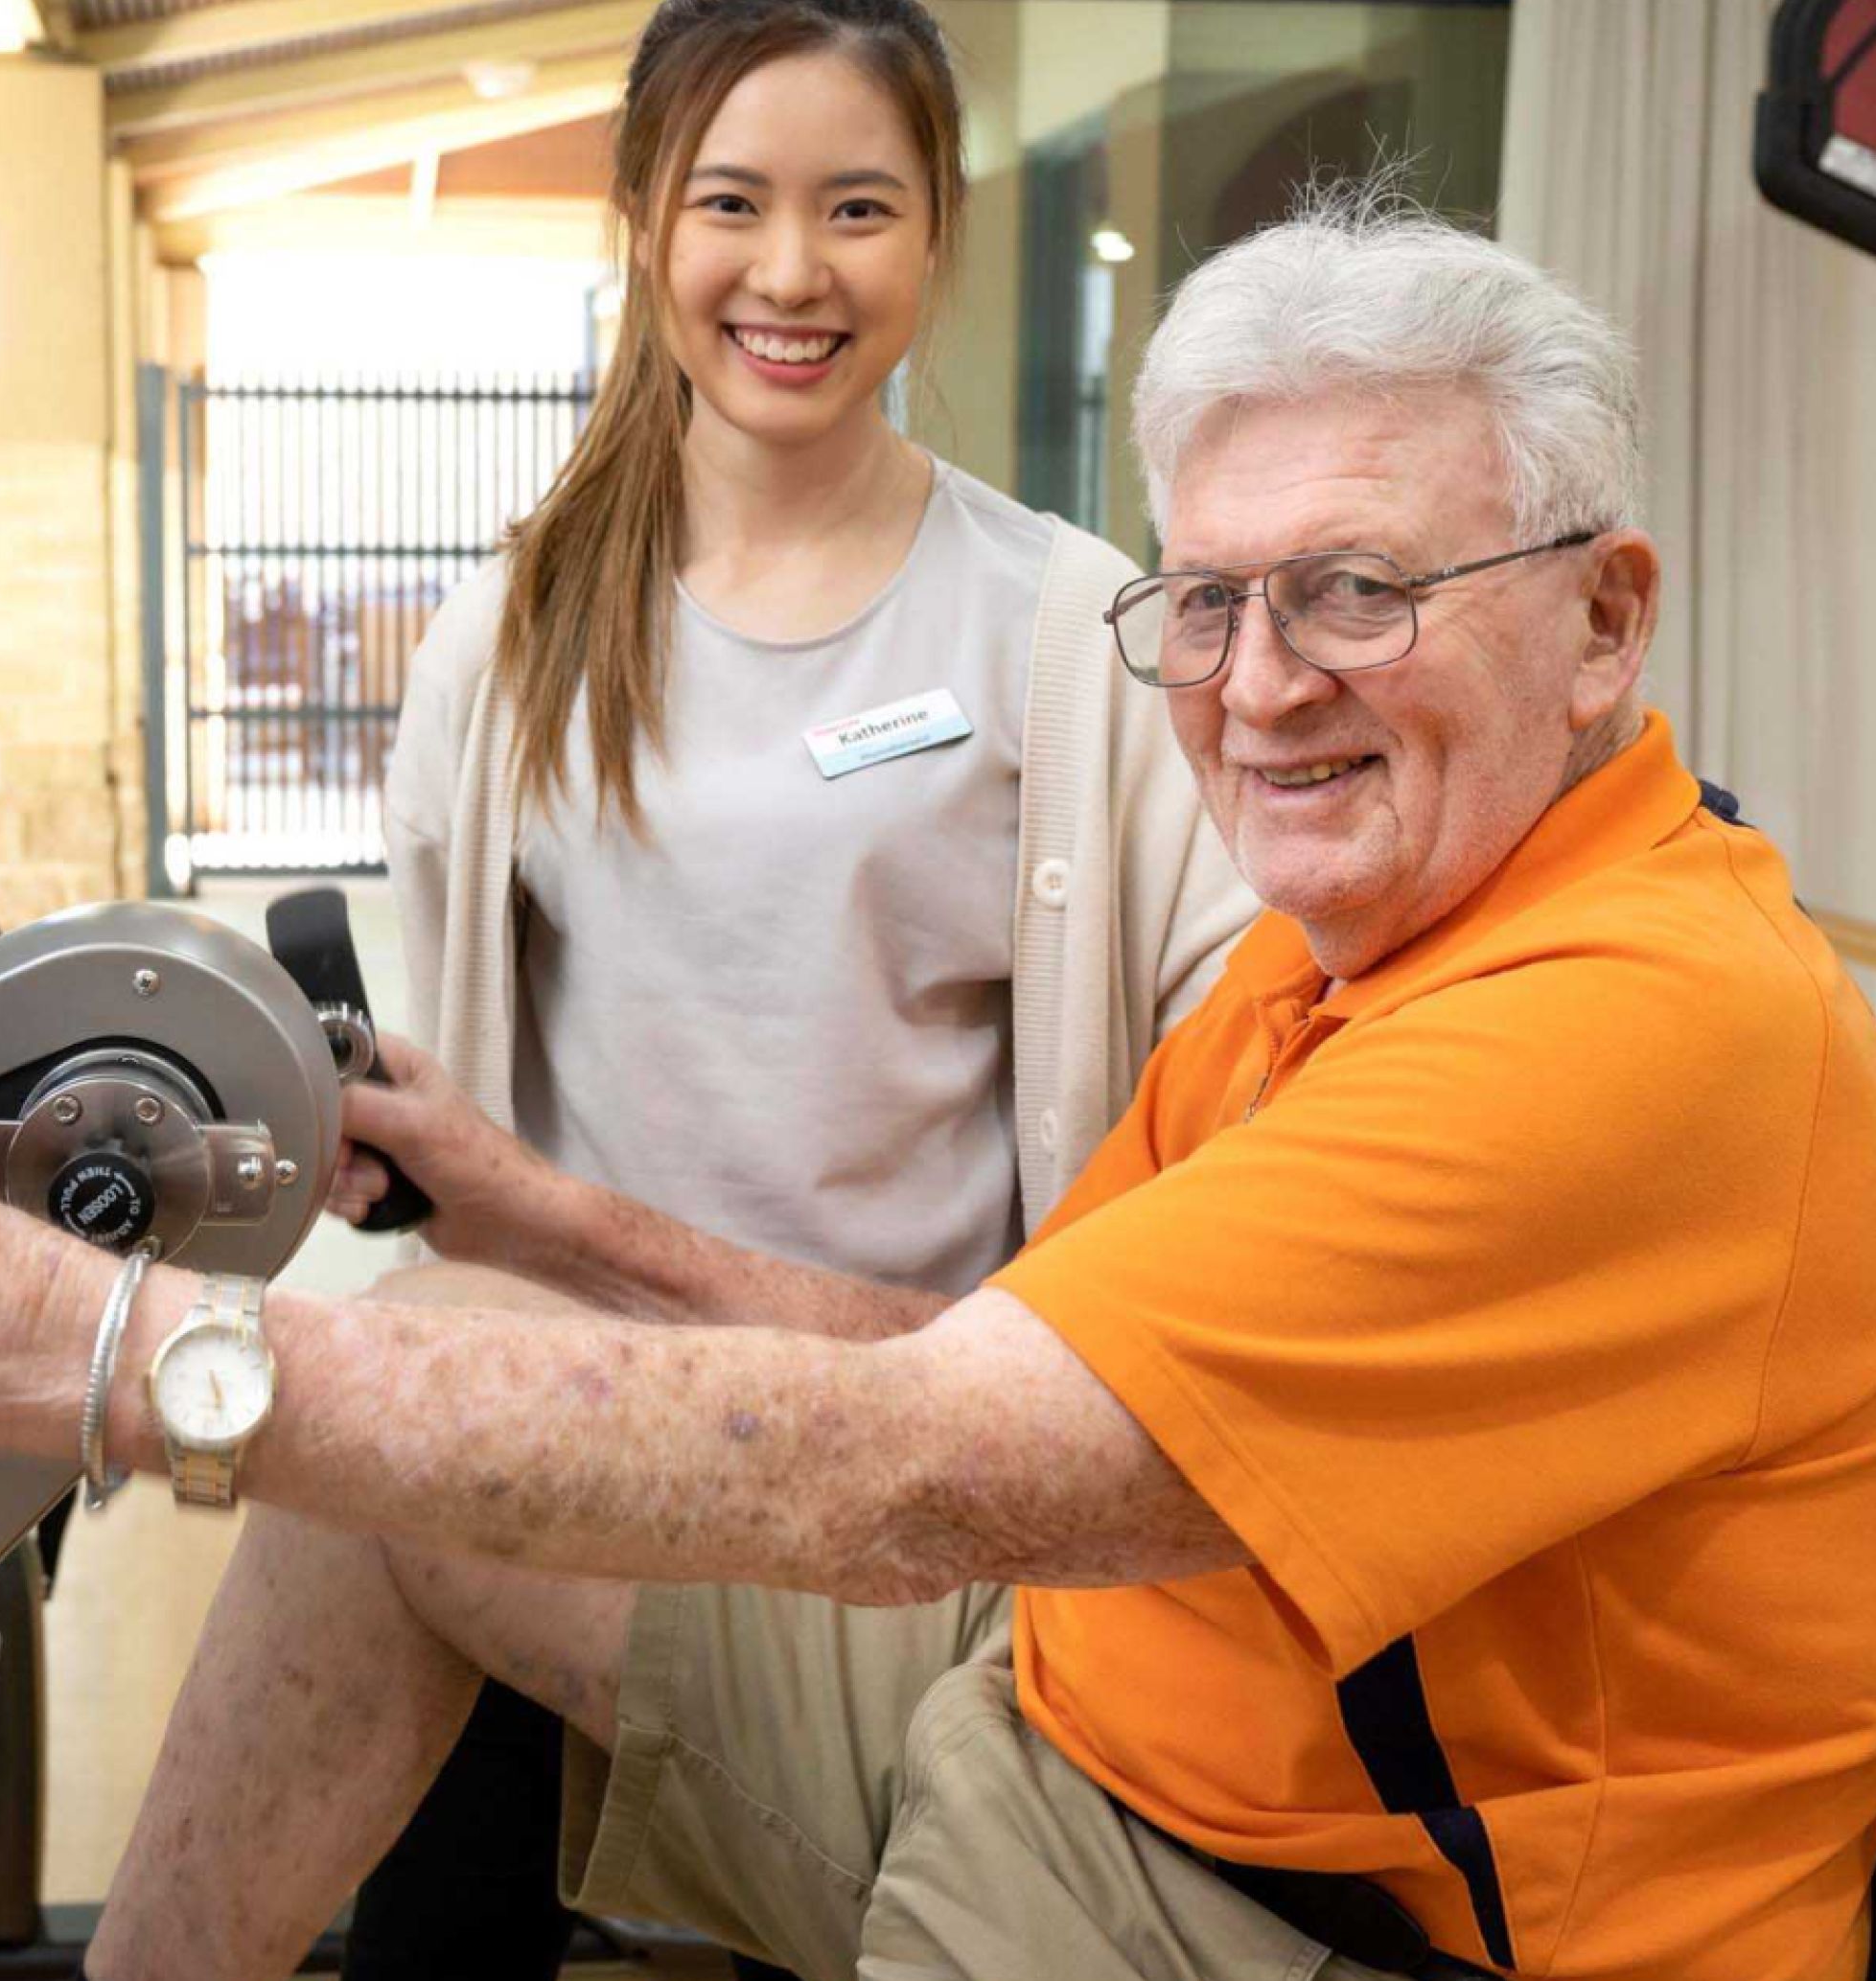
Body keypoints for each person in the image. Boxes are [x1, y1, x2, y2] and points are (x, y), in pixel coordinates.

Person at [0, 191, 1876, 1981]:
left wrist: (80, 1356)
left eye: (1359, 589)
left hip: (1281, 1920)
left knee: (367, 1414)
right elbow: (976, 1373)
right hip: (1073, 1694)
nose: (1263, 686)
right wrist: (536, 1218)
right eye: (1221, 602)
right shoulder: (1340, 962)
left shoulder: (1620, 1023)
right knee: (402, 1442)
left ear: (1604, 619)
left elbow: (918, 1466)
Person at [361, 0, 1252, 1966]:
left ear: (938, 225)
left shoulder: (1063, 624)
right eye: (730, 204)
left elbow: (1226, 1061)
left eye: (857, 205)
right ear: (642, 219)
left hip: (897, 1462)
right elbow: (438, 1068)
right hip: (580, 1432)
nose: (790, 272)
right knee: (434, 1910)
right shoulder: (515, 628)